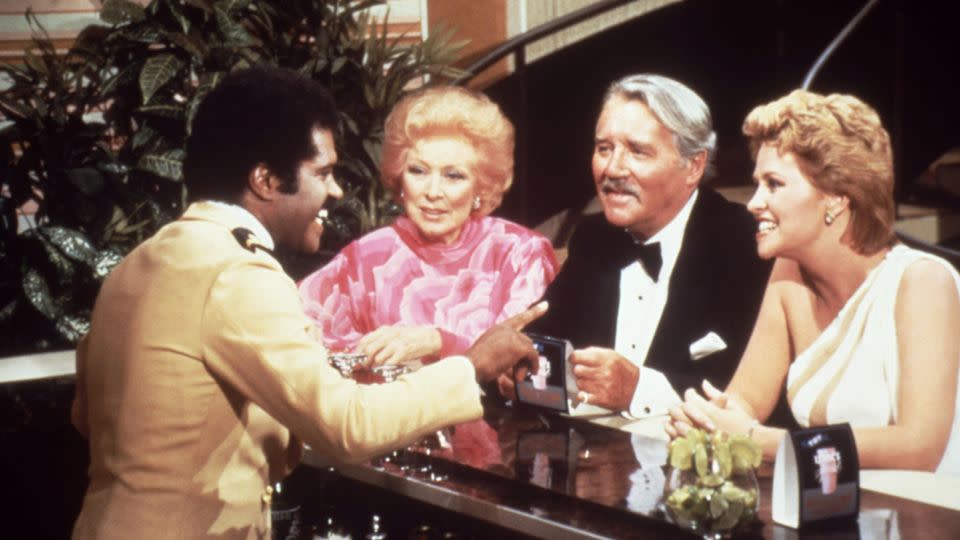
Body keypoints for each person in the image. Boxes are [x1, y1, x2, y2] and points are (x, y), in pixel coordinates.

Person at [70, 66, 545, 539]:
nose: (335, 191)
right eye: (322, 173)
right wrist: (470, 367)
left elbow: (86, 417)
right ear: (265, 180)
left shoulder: (138, 262)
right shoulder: (239, 274)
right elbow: (348, 427)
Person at [669, 90, 960, 474]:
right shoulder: (788, 274)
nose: (754, 202)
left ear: (837, 197)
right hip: (832, 509)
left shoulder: (923, 283)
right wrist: (707, 422)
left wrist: (756, 439)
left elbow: (919, 448)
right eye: (757, 183)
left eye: (774, 184)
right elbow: (744, 401)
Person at [511, 74, 772, 419]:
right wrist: (517, 368)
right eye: (604, 148)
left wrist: (639, 389)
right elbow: (541, 342)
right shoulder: (594, 239)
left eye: (637, 151)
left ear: (693, 165)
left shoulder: (746, 244)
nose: (613, 168)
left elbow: (751, 394)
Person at [298, 85, 558, 365]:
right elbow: (283, 330)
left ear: (481, 186)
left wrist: (436, 341)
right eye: (418, 171)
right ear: (400, 177)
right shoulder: (365, 258)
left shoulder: (520, 253)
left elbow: (525, 357)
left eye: (454, 176)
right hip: (395, 408)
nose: (433, 191)